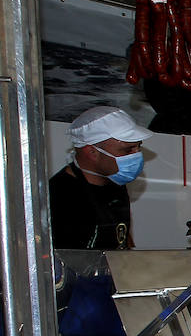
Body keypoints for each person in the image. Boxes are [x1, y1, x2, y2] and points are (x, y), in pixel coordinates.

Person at [49, 106, 151, 249]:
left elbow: (122, 239)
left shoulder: (116, 184)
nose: (137, 155)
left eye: (138, 147)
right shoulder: (59, 195)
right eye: (128, 150)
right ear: (92, 152)